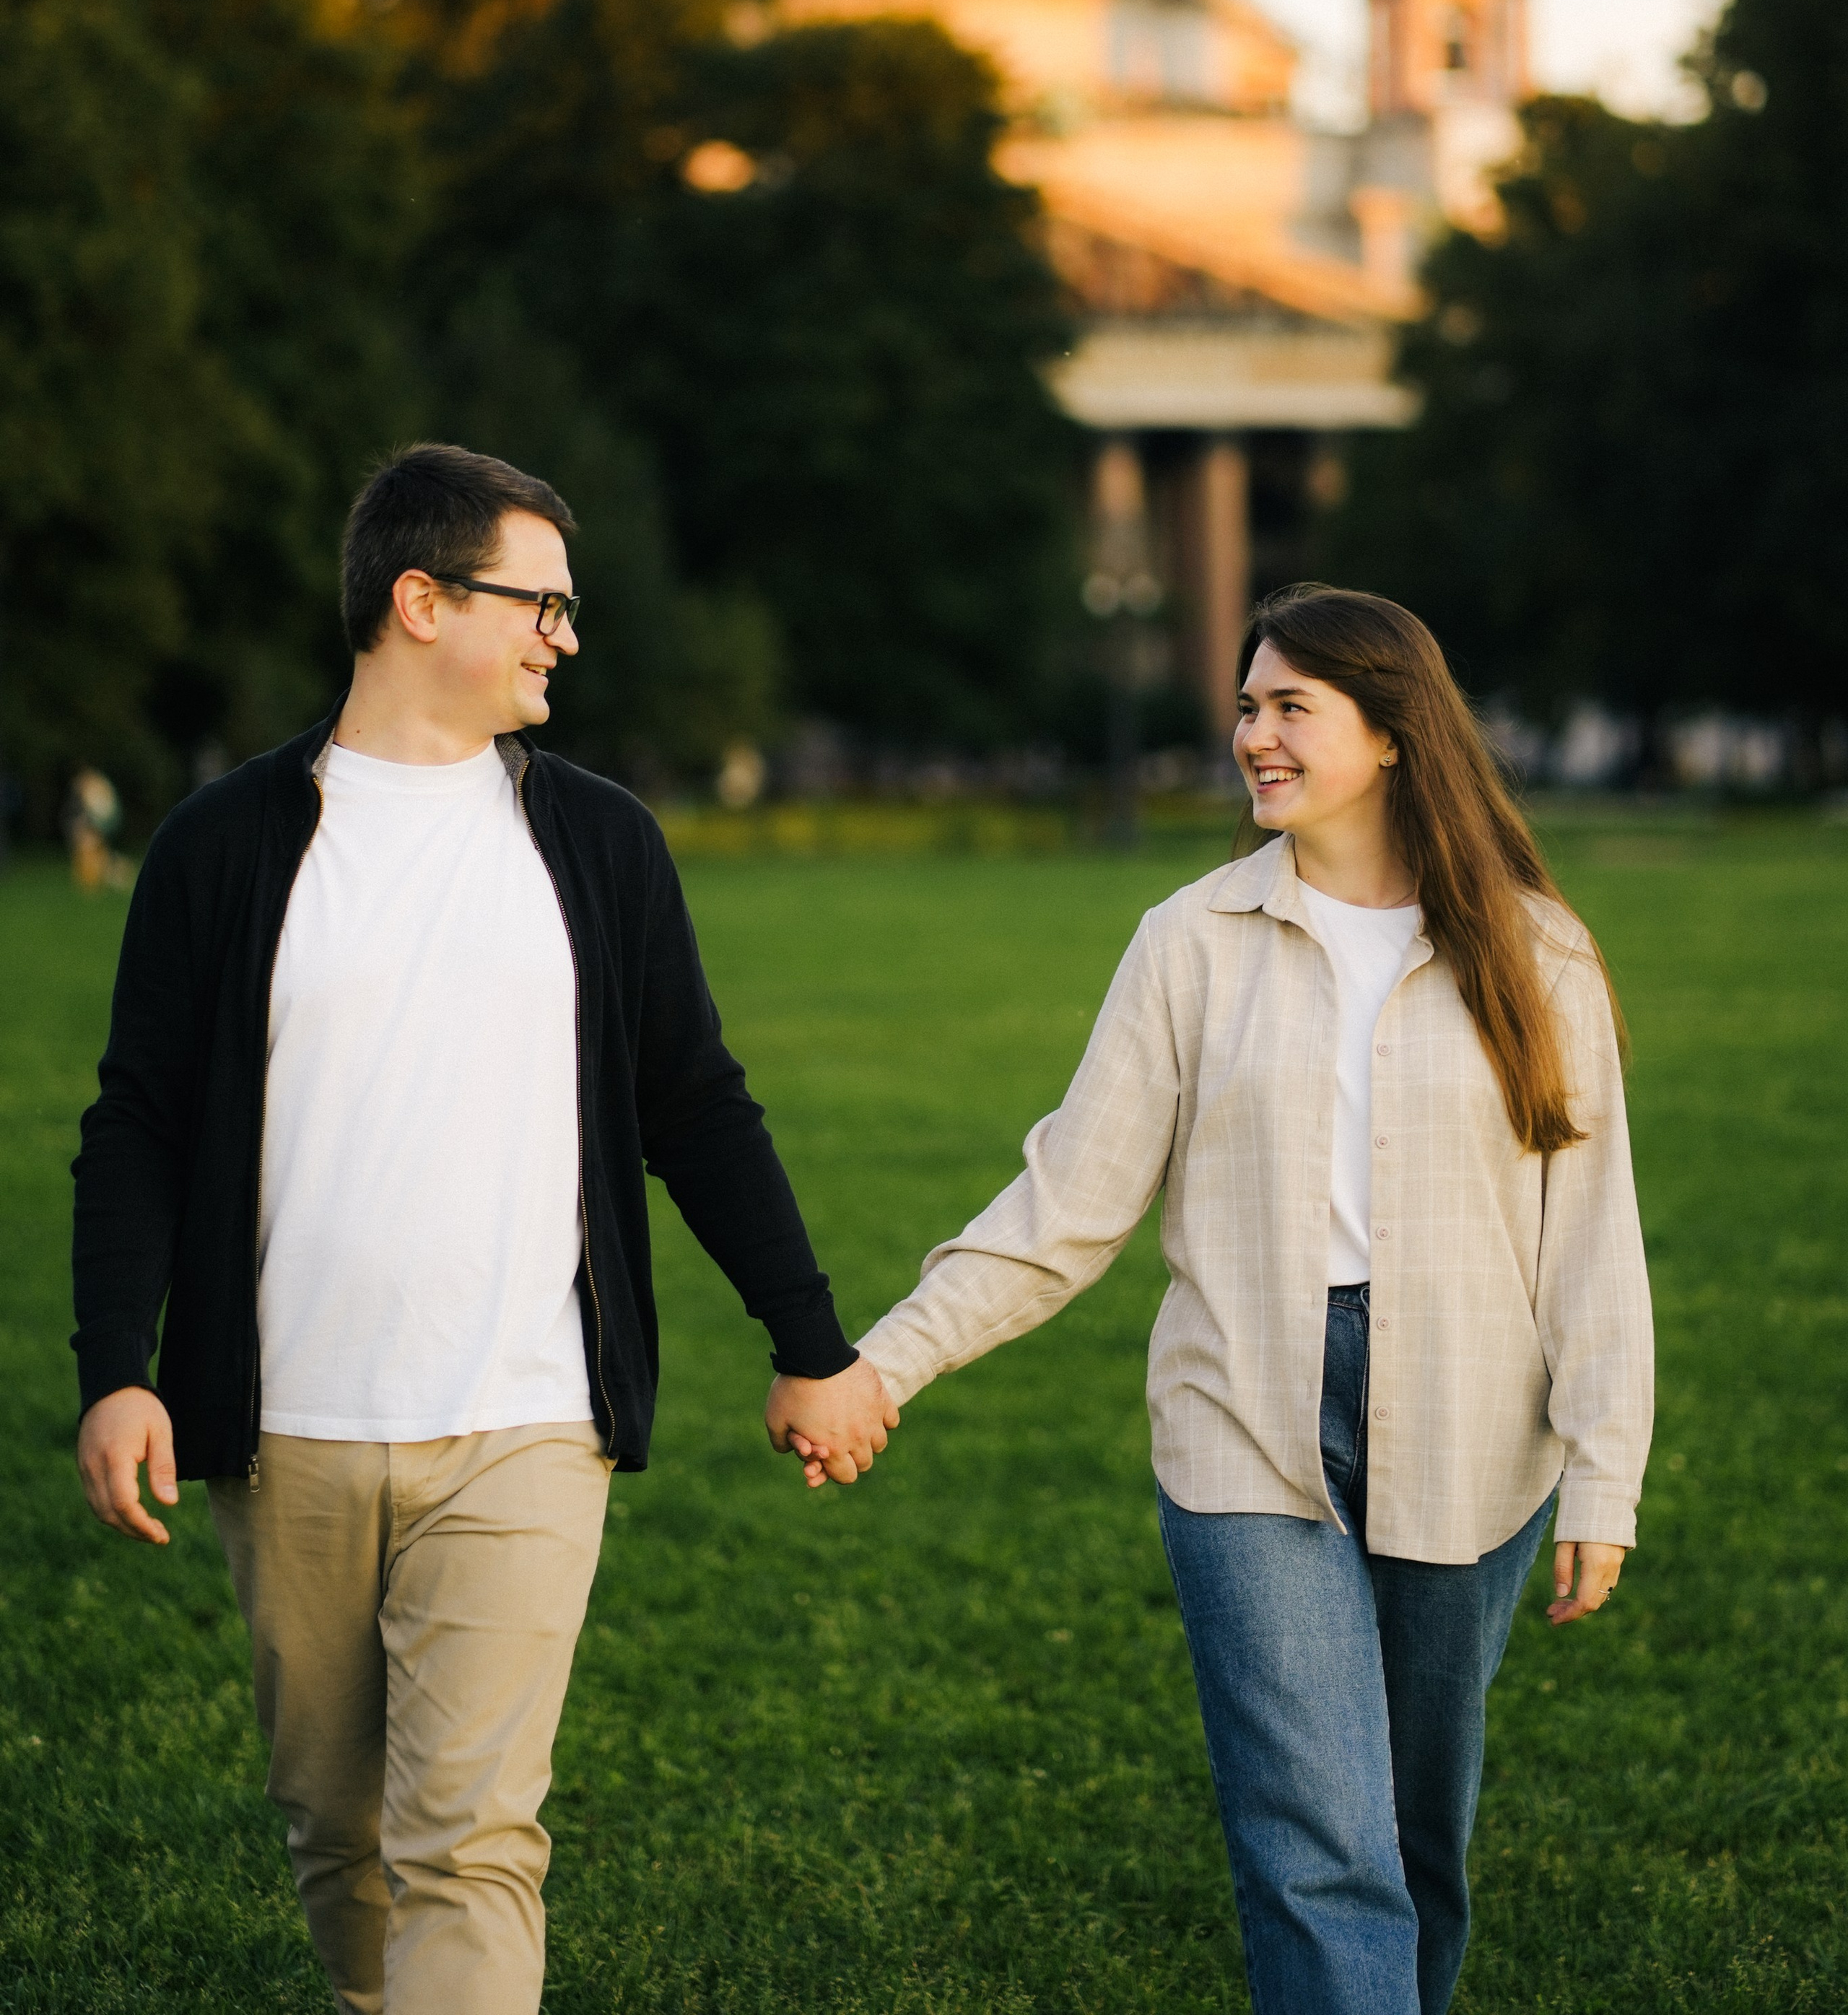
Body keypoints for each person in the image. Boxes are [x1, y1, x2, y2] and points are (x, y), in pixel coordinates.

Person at [71, 442, 895, 2015]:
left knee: (470, 1842)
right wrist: (118, 1366)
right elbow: (139, 1125)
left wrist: (810, 1342)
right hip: (286, 1427)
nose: (564, 639)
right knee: (339, 1831)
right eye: (541, 605)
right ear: (420, 600)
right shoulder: (223, 845)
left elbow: (696, 1106)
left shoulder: (598, 842)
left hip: (527, 1418)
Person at [845, 583, 1653, 2015]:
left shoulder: (1540, 954)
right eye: (1244, 706)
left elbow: (1589, 1238)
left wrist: (1605, 1471)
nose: (1251, 737)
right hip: (1244, 1422)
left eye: (1289, 707)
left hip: (1474, 1423)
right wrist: (883, 1364)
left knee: (1416, 1840)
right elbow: (1067, 1203)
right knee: (1319, 1849)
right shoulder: (1190, 942)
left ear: (1391, 732)